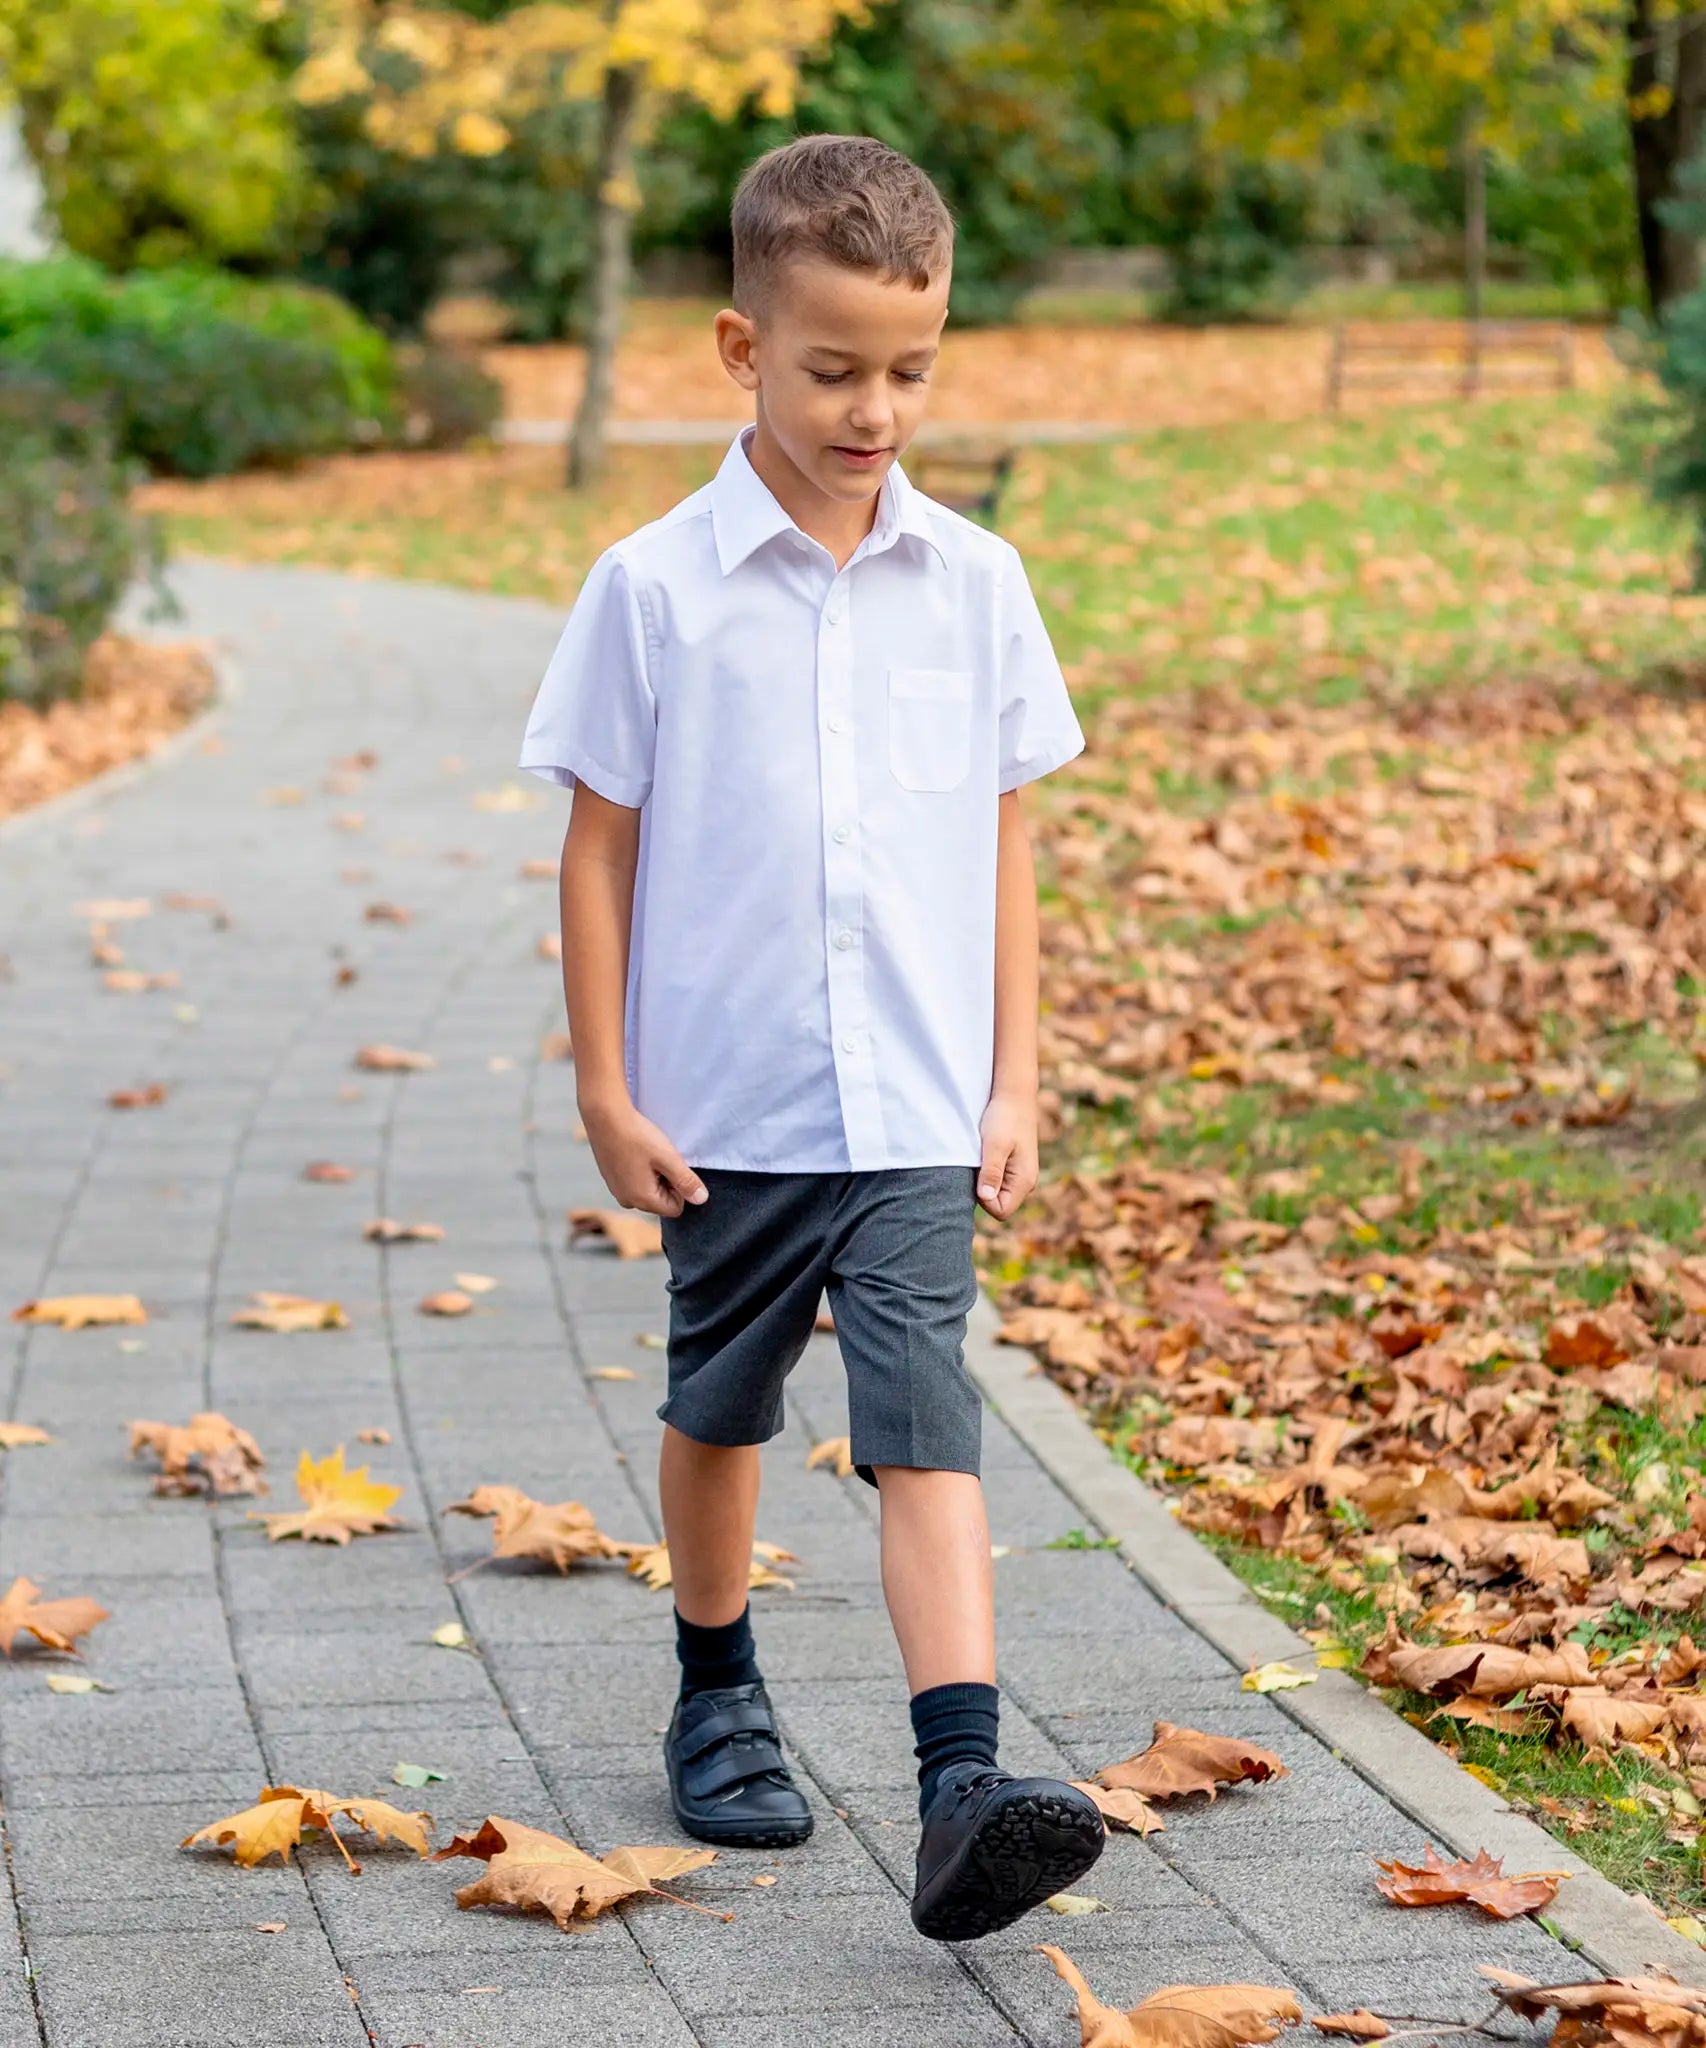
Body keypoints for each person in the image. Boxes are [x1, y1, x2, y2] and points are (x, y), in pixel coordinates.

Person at [519, 130, 1102, 1941]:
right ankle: (715, 1686)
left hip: (916, 1100)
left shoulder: (977, 582)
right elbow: (596, 845)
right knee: (722, 1404)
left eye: (911, 370)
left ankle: (958, 1785)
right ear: (740, 348)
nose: (877, 411)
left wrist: (1011, 1075)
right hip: (731, 1101)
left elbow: (1004, 837)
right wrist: (605, 1087)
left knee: (926, 1425)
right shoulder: (654, 587)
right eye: (835, 369)